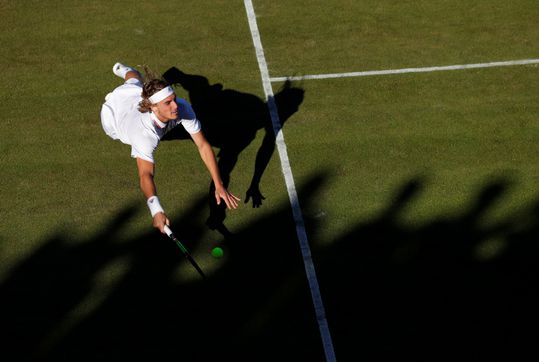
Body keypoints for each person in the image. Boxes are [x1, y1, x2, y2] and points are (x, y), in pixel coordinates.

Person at [100, 63, 240, 233]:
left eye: (174, 98)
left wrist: (219, 184)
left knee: (135, 81)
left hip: (142, 103)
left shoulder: (180, 107)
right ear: (154, 106)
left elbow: (202, 145)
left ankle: (128, 70)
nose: (175, 106)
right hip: (116, 116)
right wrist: (156, 210)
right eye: (168, 103)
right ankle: (128, 73)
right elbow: (146, 174)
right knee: (131, 85)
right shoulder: (144, 136)